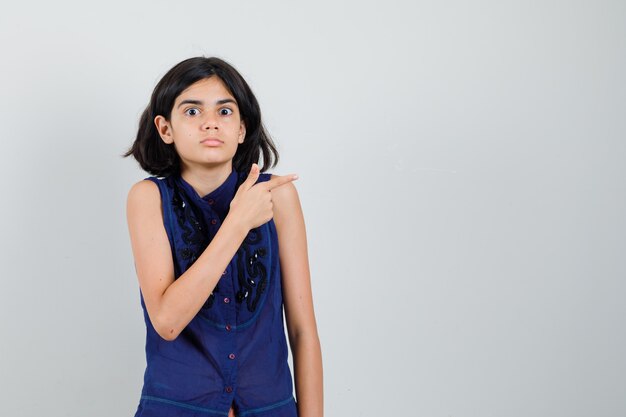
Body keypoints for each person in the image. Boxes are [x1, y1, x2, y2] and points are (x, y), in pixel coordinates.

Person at [123, 56, 323, 417]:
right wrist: (238, 223)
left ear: (242, 128)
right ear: (165, 129)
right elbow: (167, 321)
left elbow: (302, 329)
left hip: (271, 407)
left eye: (225, 112)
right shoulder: (148, 198)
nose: (211, 123)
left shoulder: (278, 196)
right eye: (192, 112)